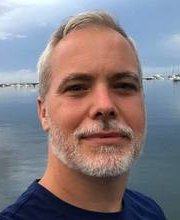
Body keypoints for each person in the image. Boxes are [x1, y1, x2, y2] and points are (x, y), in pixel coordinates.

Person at [0, 11, 166, 220]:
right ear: (43, 113)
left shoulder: (150, 211)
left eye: (124, 85)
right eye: (76, 87)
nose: (105, 106)